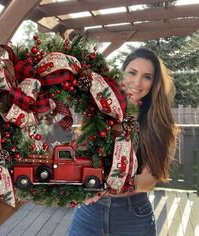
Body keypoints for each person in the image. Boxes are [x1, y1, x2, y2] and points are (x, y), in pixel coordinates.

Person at [68, 48, 179, 236]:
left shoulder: (157, 122)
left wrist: (103, 186)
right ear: (122, 73)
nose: (137, 82)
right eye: (132, 73)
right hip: (89, 212)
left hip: (132, 216)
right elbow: (83, 159)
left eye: (147, 77)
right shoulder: (100, 110)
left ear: (154, 83)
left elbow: (147, 181)